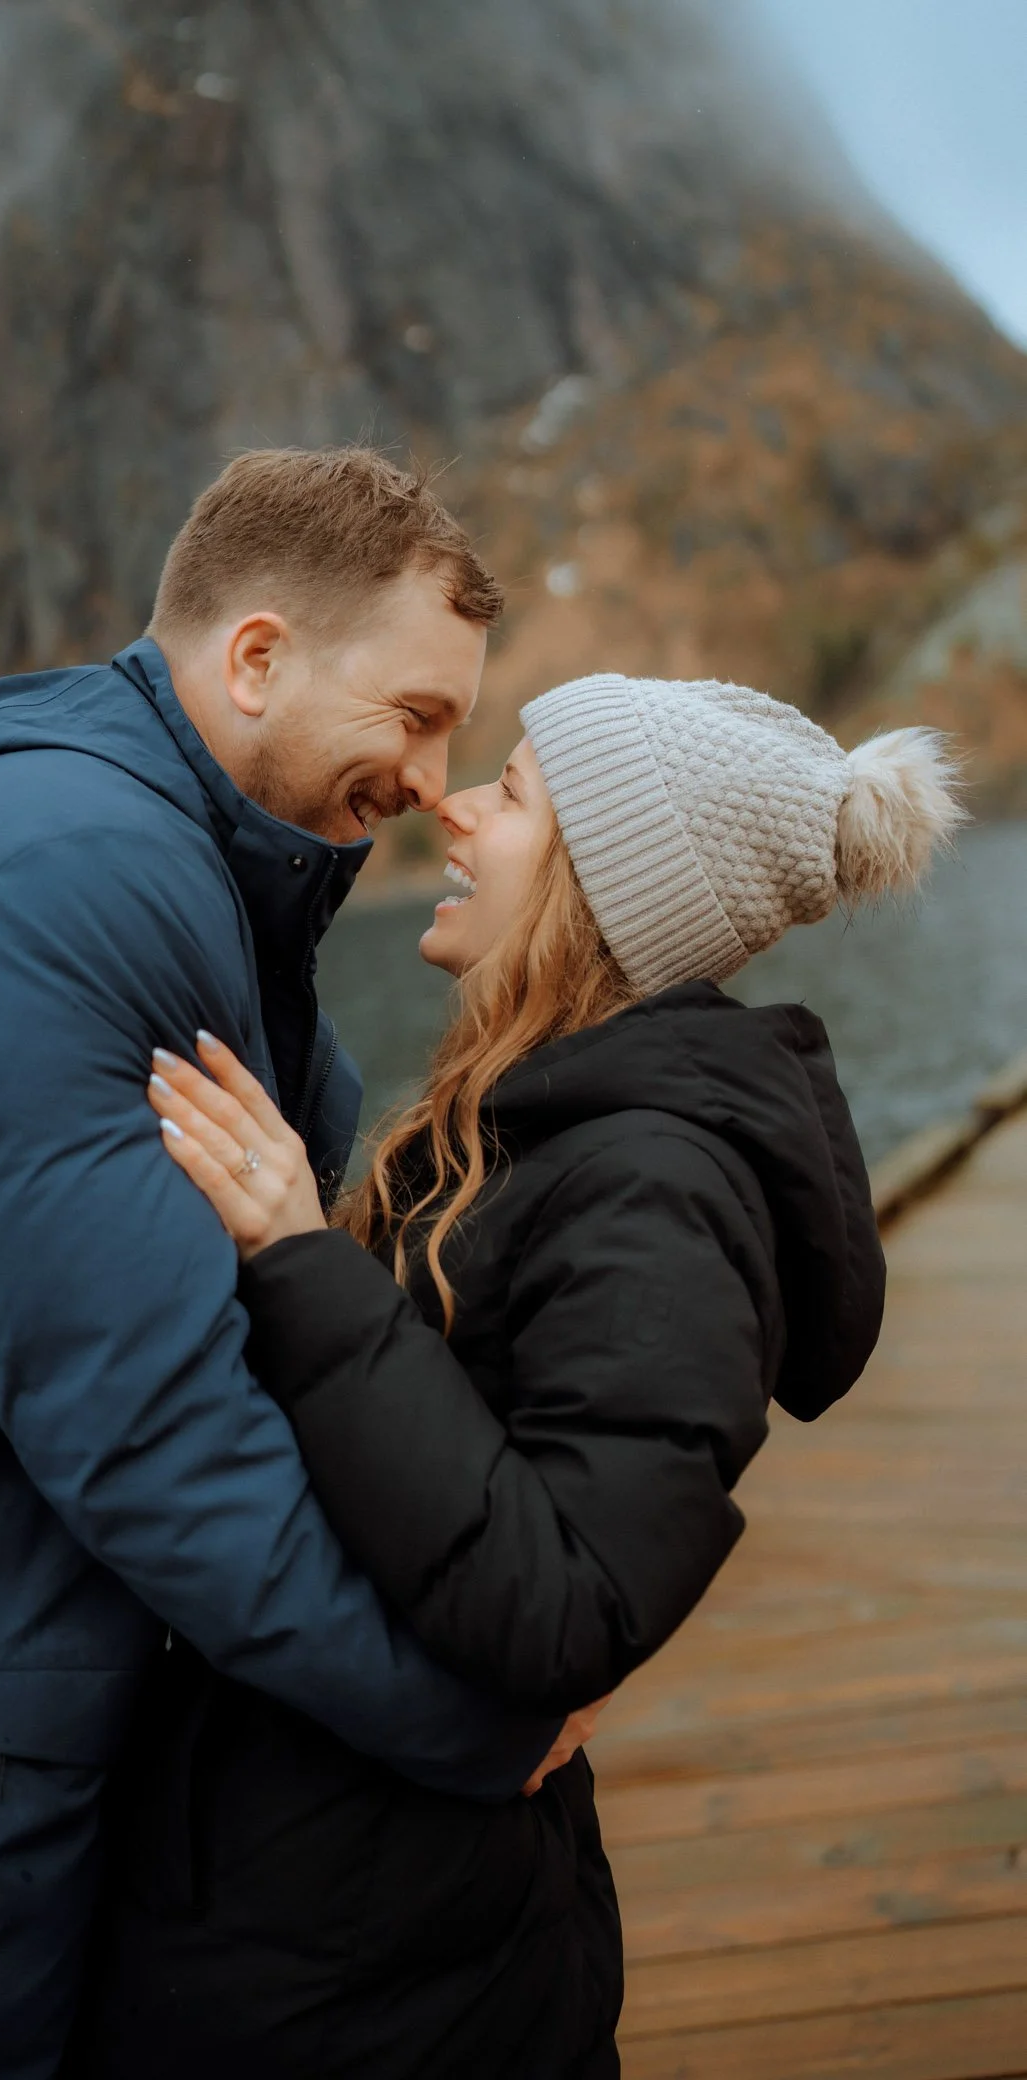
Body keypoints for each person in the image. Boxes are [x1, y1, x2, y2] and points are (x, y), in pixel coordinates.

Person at [0, 449, 581, 2080]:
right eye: (416, 714)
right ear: (259, 657)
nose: (439, 780)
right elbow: (150, 1434)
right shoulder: (67, 879)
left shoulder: (159, 860)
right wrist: (468, 1725)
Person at [90, 678, 963, 2078]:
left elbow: (566, 1601)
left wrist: (300, 1261)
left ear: (597, 886)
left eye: (511, 796)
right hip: (366, 1910)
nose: (455, 804)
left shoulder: (649, 1184)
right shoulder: (542, 1134)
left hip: (395, 1969)